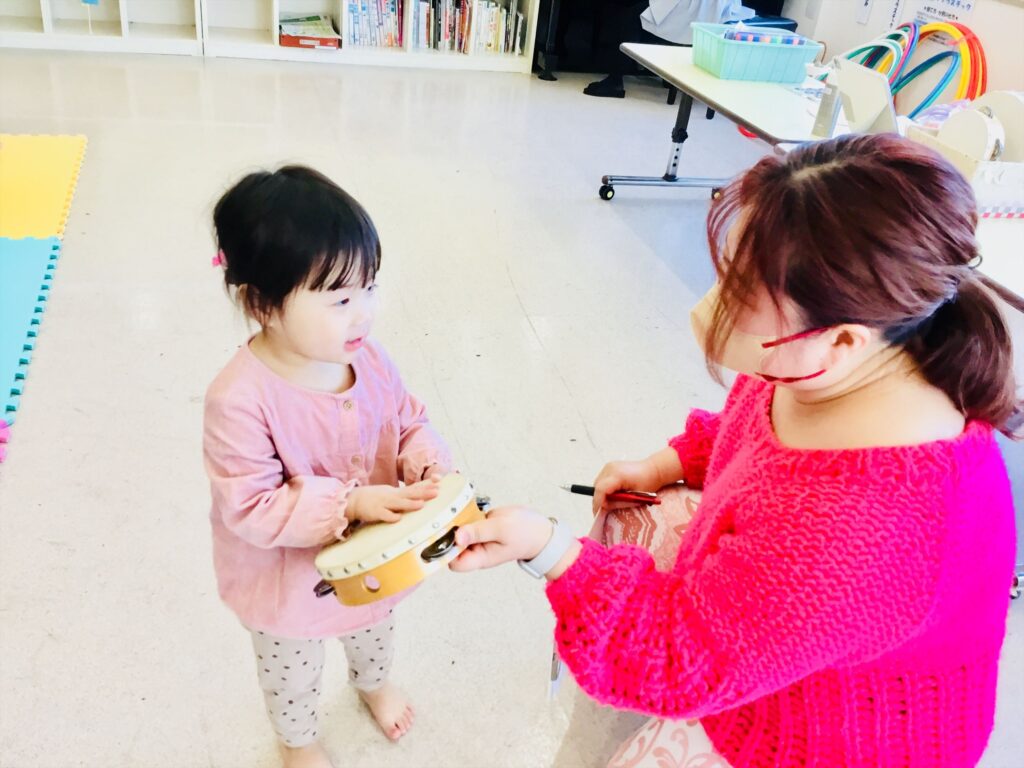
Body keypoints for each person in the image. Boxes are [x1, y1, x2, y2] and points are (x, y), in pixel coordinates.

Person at [451, 134, 1019, 767]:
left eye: (743, 294)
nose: (711, 307)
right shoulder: (840, 363)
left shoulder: (862, 529)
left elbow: (671, 660)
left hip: (816, 743)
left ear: (842, 341)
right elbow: (750, 426)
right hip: (775, 663)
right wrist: (665, 464)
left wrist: (547, 548)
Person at [203, 166, 453, 768]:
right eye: (340, 300)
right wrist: (351, 503)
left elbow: (407, 418)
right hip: (286, 582)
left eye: (369, 288)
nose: (363, 314)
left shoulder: (370, 359)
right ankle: (298, 741)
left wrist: (424, 464)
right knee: (290, 671)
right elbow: (250, 506)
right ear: (262, 305)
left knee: (374, 625)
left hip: (372, 559)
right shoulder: (239, 400)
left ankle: (372, 683)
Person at [585, 0, 752, 98]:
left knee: (632, 17)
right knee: (640, 14)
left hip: (694, 7)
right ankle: (662, 71)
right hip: (715, 8)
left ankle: (615, 80)